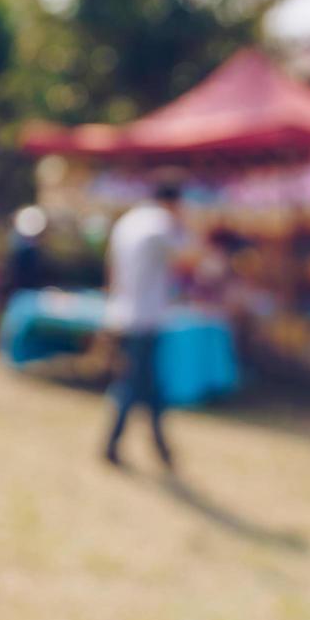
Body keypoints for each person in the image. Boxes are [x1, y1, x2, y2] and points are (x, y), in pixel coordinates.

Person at [102, 175, 183, 470]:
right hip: (146, 317)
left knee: (147, 384)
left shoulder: (128, 221)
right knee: (135, 384)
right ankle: (113, 444)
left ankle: (161, 447)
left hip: (124, 312)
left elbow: (111, 269)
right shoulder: (161, 224)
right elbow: (187, 258)